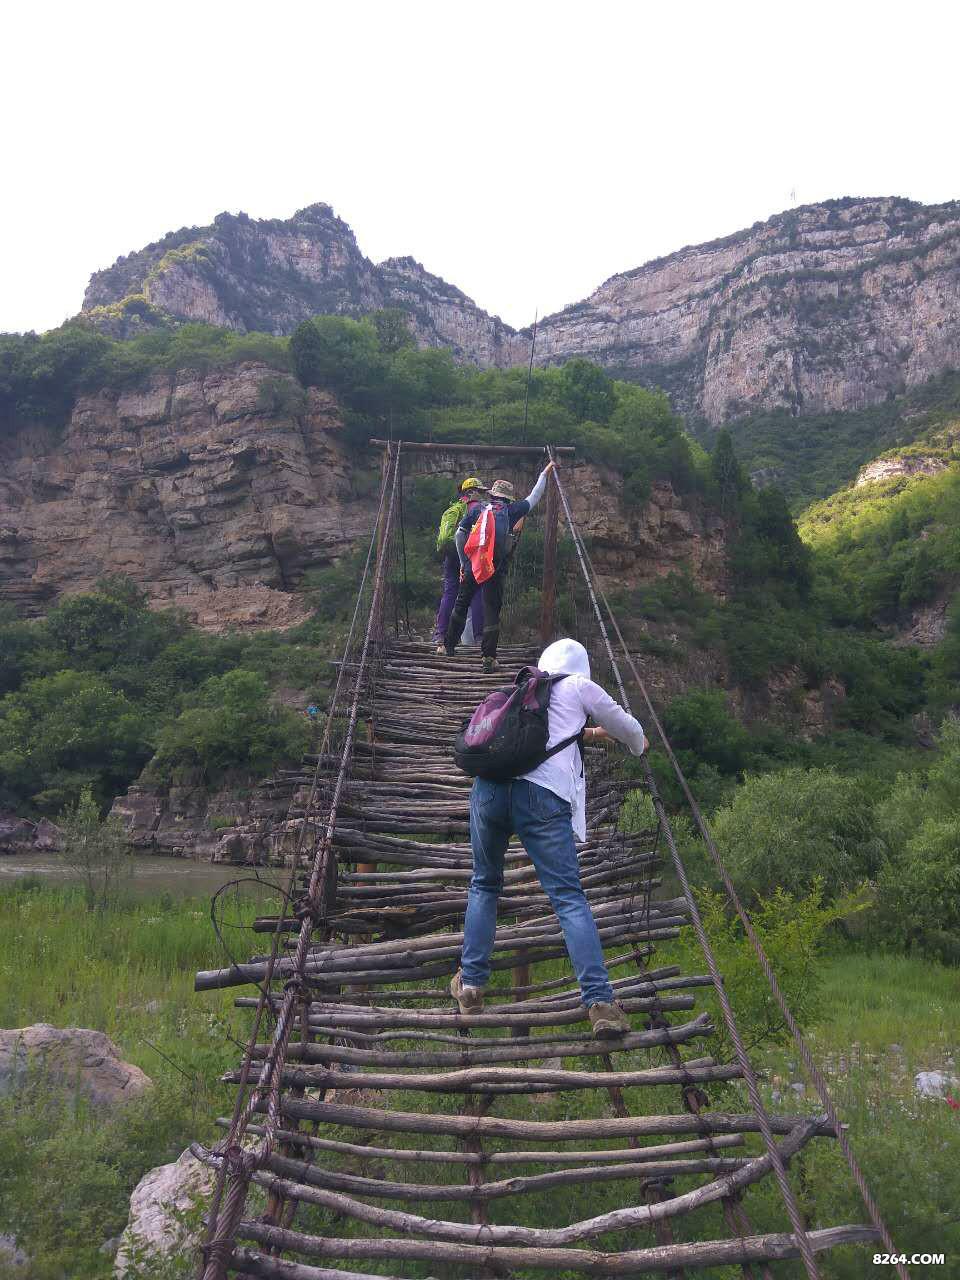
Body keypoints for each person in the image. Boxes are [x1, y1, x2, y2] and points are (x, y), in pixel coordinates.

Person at [450, 638, 650, 1037]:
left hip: (488, 792)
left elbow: (544, 734)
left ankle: (471, 984)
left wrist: (589, 734)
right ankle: (600, 1003)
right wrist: (638, 744)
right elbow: (624, 724)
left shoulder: (523, 691)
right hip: (540, 800)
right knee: (568, 897)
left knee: (484, 884)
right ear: (581, 667)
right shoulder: (578, 686)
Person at [445, 461, 555, 672]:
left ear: (493, 495)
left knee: (462, 603)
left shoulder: (478, 509)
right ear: (508, 497)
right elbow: (535, 496)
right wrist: (544, 473)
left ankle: (448, 646)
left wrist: (464, 562)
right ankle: (488, 657)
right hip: (494, 568)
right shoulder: (513, 510)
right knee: (492, 609)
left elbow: (459, 534)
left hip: (473, 565)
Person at [433, 477, 487, 652]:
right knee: (477, 593)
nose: (482, 495)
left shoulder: (453, 509)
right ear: (472, 492)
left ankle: (441, 636)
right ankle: (479, 638)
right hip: (470, 555)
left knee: (450, 593)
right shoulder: (479, 509)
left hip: (451, 555)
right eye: (480, 491)